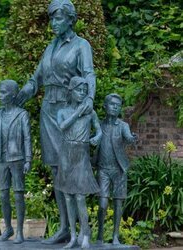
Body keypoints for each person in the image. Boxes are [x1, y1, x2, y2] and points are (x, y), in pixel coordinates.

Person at [16, 0, 96, 244]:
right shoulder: (49, 48)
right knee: (55, 168)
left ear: (70, 20)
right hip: (48, 111)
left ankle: (81, 231)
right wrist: (21, 94)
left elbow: (89, 74)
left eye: (58, 18)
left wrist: (90, 98)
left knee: (69, 168)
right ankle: (63, 227)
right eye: (52, 19)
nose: (53, 23)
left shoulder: (81, 45)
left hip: (68, 111)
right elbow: (36, 78)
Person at [0, 80, 32, 244]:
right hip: (1, 160)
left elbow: (27, 138)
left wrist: (28, 159)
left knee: (18, 195)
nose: (0, 95)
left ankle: (19, 232)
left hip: (17, 158)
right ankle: (8, 229)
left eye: (3, 92)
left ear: (12, 94)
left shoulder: (22, 115)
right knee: (3, 195)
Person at [56, 76, 101, 249]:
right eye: (78, 90)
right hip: (66, 153)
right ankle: (73, 237)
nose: (82, 93)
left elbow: (99, 130)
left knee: (80, 196)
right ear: (71, 91)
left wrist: (97, 137)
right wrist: (78, 112)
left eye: (84, 91)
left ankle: (86, 234)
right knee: (68, 196)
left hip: (81, 153)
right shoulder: (62, 111)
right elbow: (62, 127)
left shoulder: (91, 112)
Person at [96, 93, 137, 245]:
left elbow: (128, 137)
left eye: (118, 105)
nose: (115, 107)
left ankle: (115, 236)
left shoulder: (123, 126)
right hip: (103, 169)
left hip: (119, 169)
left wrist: (133, 138)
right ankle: (100, 233)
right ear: (105, 106)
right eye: (112, 104)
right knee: (103, 203)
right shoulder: (99, 125)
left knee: (118, 203)